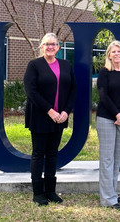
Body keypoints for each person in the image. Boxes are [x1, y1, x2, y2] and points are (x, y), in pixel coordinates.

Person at [24, 33, 77, 206]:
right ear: (42, 46)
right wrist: (50, 111)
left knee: (53, 153)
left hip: (60, 117)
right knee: (39, 153)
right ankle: (38, 193)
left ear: (59, 47)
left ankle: (50, 191)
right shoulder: (34, 65)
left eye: (53, 44)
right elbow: (31, 92)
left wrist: (65, 111)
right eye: (47, 44)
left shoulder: (66, 65)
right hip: (40, 116)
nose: (50, 47)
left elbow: (73, 90)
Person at [95, 40, 120, 210]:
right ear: (109, 55)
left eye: (119, 51)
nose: (117, 54)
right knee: (107, 159)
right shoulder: (105, 73)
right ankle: (107, 198)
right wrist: (117, 115)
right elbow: (103, 96)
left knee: (117, 158)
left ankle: (112, 192)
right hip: (106, 118)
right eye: (113, 52)